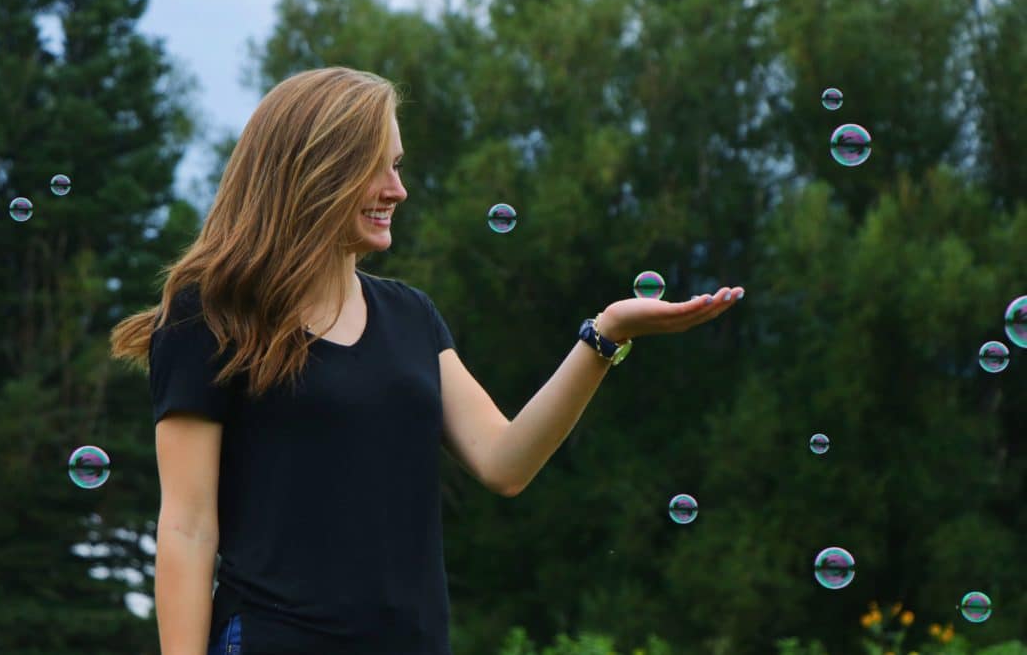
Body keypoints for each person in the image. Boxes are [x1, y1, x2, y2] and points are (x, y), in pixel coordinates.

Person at [109, 66, 743, 655]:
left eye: (398, 166)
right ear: (316, 172)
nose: (399, 190)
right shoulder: (209, 316)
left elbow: (506, 462)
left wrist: (604, 336)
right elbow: (188, 529)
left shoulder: (410, 317)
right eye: (377, 170)